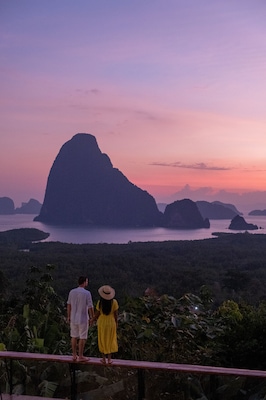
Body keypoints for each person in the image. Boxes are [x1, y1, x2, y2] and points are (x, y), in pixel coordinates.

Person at [67, 276, 94, 361]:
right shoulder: (87, 293)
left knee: (74, 336)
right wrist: (92, 317)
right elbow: (90, 307)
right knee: (82, 337)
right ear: (84, 282)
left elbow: (69, 304)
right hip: (83, 318)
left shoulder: (72, 292)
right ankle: (81, 355)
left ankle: (74, 355)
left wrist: (68, 316)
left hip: (73, 317)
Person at [93, 285, 118, 365]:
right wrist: (116, 323)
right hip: (111, 322)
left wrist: (92, 320)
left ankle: (103, 358)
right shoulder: (114, 302)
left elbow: (97, 314)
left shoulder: (100, 303)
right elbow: (116, 314)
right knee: (110, 339)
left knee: (102, 339)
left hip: (102, 322)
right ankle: (109, 359)